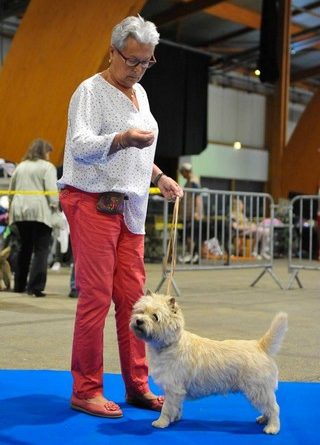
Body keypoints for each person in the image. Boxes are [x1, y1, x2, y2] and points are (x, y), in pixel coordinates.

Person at [58, 15, 183, 418]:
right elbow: (79, 146)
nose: (138, 69)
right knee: (94, 298)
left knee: (136, 301)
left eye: (146, 62)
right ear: (112, 52)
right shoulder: (89, 92)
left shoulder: (140, 95)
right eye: (131, 60)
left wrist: (160, 176)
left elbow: (139, 154)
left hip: (130, 210)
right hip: (91, 202)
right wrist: (120, 139)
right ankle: (86, 389)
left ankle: (137, 385)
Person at [8, 139, 59, 296]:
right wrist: (55, 205)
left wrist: (12, 208)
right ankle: (35, 287)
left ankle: (19, 285)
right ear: (44, 152)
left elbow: (11, 190)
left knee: (24, 248)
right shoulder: (47, 167)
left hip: (19, 212)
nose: (50, 156)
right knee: (41, 249)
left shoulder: (21, 166)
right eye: (49, 152)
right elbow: (51, 192)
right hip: (39, 212)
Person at [179, 162, 202, 263]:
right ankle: (193, 255)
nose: (182, 175)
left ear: (186, 172)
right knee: (191, 234)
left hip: (192, 214)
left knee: (190, 234)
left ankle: (191, 254)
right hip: (188, 213)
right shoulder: (189, 181)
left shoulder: (193, 182)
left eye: (182, 172)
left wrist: (196, 212)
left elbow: (197, 197)